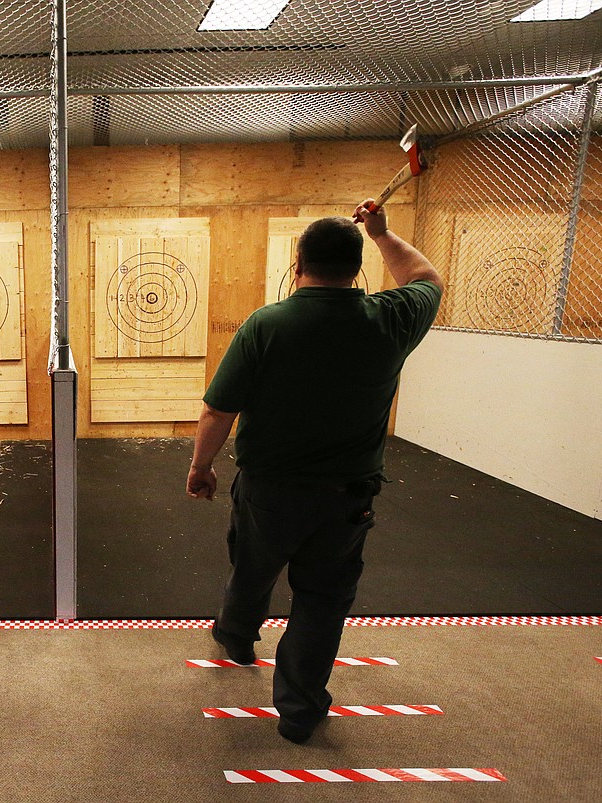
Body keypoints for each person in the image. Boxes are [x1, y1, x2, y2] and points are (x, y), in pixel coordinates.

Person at [186, 200, 442, 744]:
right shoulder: (391, 317)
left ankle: (236, 634)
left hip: (269, 490)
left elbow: (217, 410)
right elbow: (425, 276)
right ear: (357, 269)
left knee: (253, 563)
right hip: (348, 497)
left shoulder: (267, 324)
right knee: (323, 601)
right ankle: (300, 712)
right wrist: (382, 234)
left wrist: (200, 467)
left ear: (298, 262)